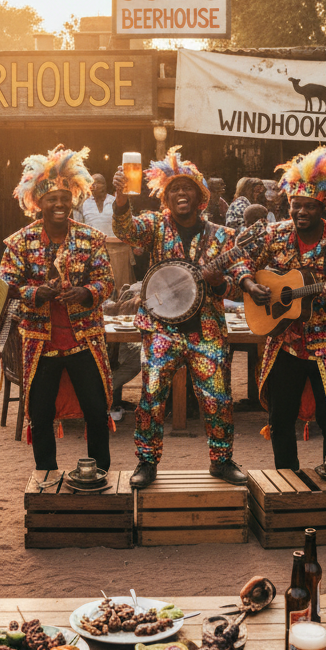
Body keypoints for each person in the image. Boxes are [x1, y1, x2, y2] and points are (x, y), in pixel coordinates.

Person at [113, 147, 248, 487]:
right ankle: (147, 463)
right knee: (152, 398)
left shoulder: (224, 236)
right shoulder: (155, 226)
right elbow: (126, 229)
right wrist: (119, 198)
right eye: (174, 189)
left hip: (208, 332)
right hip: (161, 329)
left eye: (187, 188)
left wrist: (222, 284)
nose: (180, 194)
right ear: (165, 196)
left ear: (201, 196)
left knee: (217, 399)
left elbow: (239, 284)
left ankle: (221, 460)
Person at [240, 147, 326, 473]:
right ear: (288, 206)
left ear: (322, 206)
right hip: (285, 341)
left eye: (310, 206)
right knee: (280, 418)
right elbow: (241, 260)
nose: (302, 212)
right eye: (297, 206)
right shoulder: (274, 234)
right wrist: (252, 286)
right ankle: (286, 480)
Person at [0, 145, 115, 472]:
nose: (60, 204)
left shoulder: (92, 239)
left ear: (74, 198)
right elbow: (5, 286)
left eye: (65, 197)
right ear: (37, 202)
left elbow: (107, 280)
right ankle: (46, 478)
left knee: (96, 411)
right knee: (39, 415)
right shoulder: (19, 242)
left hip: (85, 341)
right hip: (40, 342)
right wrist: (37, 293)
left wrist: (86, 291)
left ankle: (100, 475)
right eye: (52, 198)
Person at [78, 173, 134, 291]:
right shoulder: (84, 204)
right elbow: (79, 229)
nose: (93, 185)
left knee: (120, 287)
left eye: (97, 182)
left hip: (118, 250)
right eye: (90, 183)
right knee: (99, 286)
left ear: (104, 185)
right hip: (94, 251)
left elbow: (128, 222)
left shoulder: (116, 201)